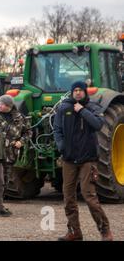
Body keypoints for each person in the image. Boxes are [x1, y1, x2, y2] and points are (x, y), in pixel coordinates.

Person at [54, 81, 112, 241]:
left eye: (81, 90)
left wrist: (82, 111)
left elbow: (98, 125)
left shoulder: (93, 107)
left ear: (85, 92)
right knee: (68, 198)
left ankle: (105, 230)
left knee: (89, 196)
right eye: (75, 90)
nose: (78, 93)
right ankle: (74, 232)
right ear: (72, 92)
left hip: (88, 159)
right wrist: (61, 146)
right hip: (69, 159)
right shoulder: (63, 108)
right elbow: (57, 129)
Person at [0, 95, 32, 187]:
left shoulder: (20, 118)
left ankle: (1, 197)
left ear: (8, 106)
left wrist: (21, 142)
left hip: (11, 154)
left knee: (7, 177)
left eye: (2, 104)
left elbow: (28, 132)